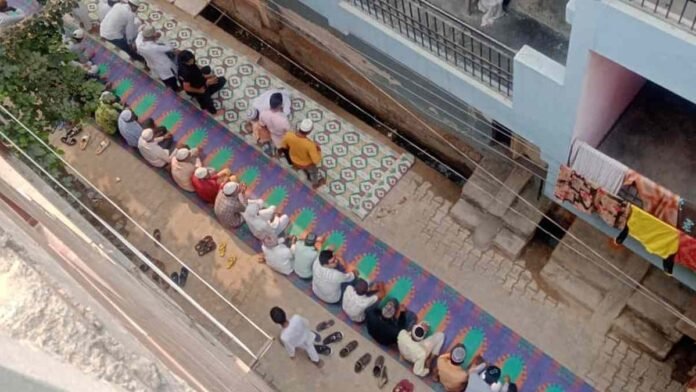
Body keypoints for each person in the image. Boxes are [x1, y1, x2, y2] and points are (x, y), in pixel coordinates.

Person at [177, 50, 226, 114]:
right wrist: (203, 87)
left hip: (196, 79)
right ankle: (214, 112)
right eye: (189, 61)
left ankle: (201, 98)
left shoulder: (185, 63)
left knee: (207, 68)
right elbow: (186, 87)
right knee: (222, 80)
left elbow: (198, 73)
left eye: (192, 58)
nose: (192, 61)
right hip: (197, 88)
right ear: (184, 62)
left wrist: (207, 76)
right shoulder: (187, 73)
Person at [280, 118, 325, 188]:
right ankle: (315, 184)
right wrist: (319, 150)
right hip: (306, 164)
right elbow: (316, 161)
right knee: (314, 172)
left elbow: (283, 147)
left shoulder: (288, 135)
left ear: (300, 127)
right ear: (309, 132)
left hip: (293, 159)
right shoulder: (310, 145)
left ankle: (300, 170)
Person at [136, 24, 179, 91]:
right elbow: (170, 48)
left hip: (151, 63)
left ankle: (169, 85)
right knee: (170, 78)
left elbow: (141, 30)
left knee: (163, 76)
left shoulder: (138, 41)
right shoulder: (154, 47)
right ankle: (175, 88)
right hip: (163, 65)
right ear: (152, 36)